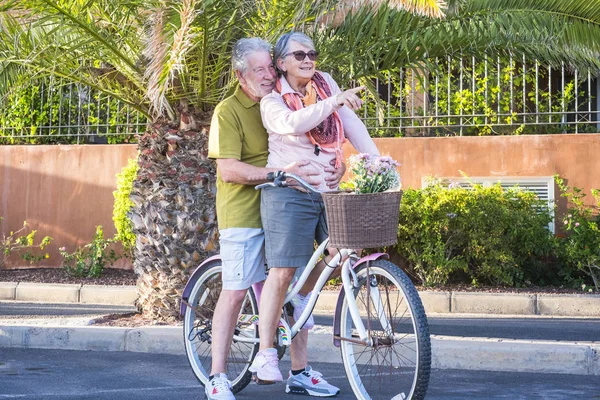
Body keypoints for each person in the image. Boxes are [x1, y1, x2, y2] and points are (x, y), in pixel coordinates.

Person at [205, 37, 344, 400]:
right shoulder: (228, 111)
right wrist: (279, 171)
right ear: (241, 75)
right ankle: (217, 376)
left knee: (293, 288)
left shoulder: (286, 98)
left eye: (270, 66)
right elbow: (229, 170)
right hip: (244, 212)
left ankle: (300, 371)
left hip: (286, 203)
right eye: (259, 70)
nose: (268, 75)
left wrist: (335, 164)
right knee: (235, 292)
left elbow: (318, 140)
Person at [249, 31, 381, 395]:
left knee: (340, 252)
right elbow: (295, 124)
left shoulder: (325, 86)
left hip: (327, 189)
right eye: (298, 55)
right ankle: (265, 354)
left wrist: (377, 160)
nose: (308, 60)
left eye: (312, 54)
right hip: (288, 193)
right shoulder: (271, 101)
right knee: (283, 270)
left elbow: (352, 126)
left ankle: (302, 300)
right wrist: (335, 101)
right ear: (281, 62)